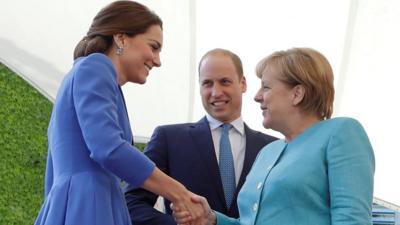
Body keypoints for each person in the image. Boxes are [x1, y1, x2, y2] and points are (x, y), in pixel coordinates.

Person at [34, 1, 203, 225]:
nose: (158, 61)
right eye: (154, 47)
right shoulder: (95, 67)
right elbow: (109, 148)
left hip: (86, 204)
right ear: (121, 38)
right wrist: (179, 193)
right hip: (91, 206)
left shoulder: (88, 75)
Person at [173, 47, 375, 225]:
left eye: (266, 87)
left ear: (297, 94)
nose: (256, 96)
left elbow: (352, 219)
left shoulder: (342, 132)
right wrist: (213, 219)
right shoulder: (268, 152)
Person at [124, 48, 277, 225]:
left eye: (224, 81)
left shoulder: (272, 148)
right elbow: (132, 202)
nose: (216, 92)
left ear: (243, 83)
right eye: (207, 83)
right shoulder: (169, 138)